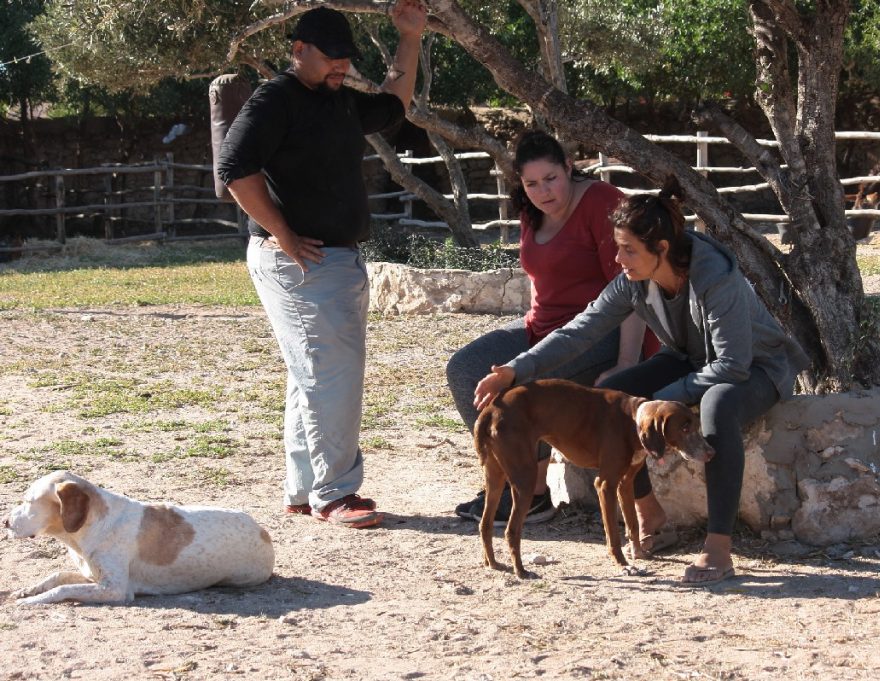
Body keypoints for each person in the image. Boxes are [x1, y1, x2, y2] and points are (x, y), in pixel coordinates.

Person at [473, 178, 809, 583]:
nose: (617, 259)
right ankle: (652, 515)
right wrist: (516, 369)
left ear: (661, 249)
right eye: (617, 247)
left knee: (717, 406)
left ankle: (718, 549)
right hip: (689, 359)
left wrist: (657, 404)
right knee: (614, 401)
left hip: (757, 367)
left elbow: (733, 365)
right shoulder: (634, 280)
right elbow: (580, 330)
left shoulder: (715, 277)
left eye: (628, 249)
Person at [216, 3, 426, 528]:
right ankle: (335, 494)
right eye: (330, 58)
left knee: (311, 375)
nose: (339, 67)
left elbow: (393, 105)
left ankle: (305, 488)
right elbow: (234, 169)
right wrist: (282, 233)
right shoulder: (274, 99)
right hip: (300, 263)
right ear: (298, 51)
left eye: (344, 60)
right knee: (331, 376)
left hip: (334, 260)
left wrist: (410, 38)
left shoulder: (339, 101)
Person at [447, 130, 660, 527]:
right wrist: (523, 332)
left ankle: (530, 493)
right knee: (464, 368)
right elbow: (539, 274)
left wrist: (627, 362)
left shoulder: (602, 203)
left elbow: (634, 285)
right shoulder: (530, 208)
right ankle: (513, 478)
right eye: (531, 183)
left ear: (568, 168)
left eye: (551, 178)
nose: (543, 191)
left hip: (602, 329)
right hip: (542, 325)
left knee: (524, 384)